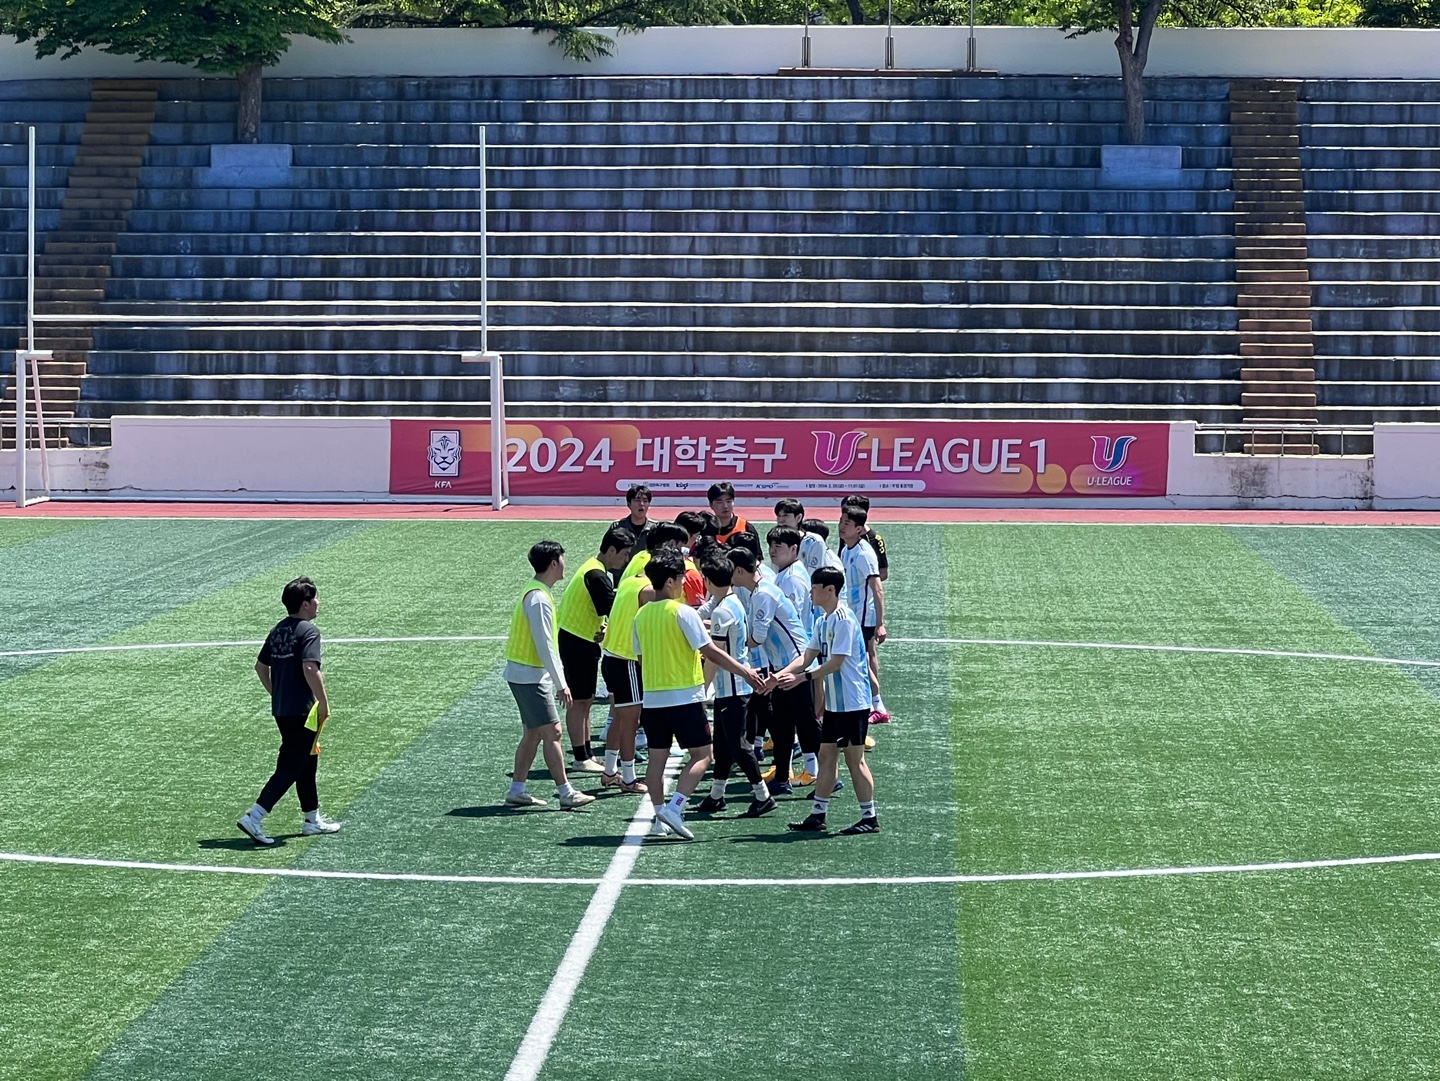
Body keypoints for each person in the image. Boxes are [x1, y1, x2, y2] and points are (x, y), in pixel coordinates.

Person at [633, 550, 763, 840]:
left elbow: (641, 659)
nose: (684, 583)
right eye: (681, 578)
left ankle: (659, 817)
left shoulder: (641, 616)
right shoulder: (683, 612)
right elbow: (711, 652)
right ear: (670, 581)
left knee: (656, 760)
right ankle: (675, 807)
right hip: (684, 699)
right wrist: (745, 672)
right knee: (703, 755)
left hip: (652, 700)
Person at [237, 576, 343, 845]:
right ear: (305, 604)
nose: (318, 602)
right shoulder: (309, 631)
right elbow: (310, 667)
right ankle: (255, 816)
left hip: (282, 709)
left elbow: (261, 667)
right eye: (315, 598)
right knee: (292, 765)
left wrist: (277, 693)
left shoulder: (278, 630)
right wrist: (323, 702)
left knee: (307, 761)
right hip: (303, 711)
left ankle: (311, 820)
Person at [775, 566, 879, 835]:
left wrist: (801, 679)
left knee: (855, 761)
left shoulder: (843, 620)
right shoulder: (822, 621)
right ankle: (818, 814)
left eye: (814, 588)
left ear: (830, 590)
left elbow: (836, 663)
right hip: (836, 705)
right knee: (826, 755)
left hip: (852, 703)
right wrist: (779, 676)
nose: (810, 592)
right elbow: (806, 656)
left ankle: (870, 817)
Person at [503, 541, 596, 810]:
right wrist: (561, 683)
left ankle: (517, 789)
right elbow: (545, 645)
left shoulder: (537, 592)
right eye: (562, 559)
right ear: (554, 563)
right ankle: (566, 792)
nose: (565, 563)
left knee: (533, 733)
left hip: (525, 673)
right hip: (530, 676)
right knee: (553, 731)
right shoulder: (540, 599)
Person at [727, 546, 820, 794]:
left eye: (730, 571)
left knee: (806, 725)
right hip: (783, 667)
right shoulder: (759, 591)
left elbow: (756, 638)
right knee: (782, 725)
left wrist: (725, 640)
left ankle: (827, 775)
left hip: (795, 666)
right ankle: (782, 778)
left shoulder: (763, 595)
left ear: (739, 571)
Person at [695, 555, 774, 817]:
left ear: (708, 581)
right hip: (733, 688)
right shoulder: (732, 603)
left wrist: (702, 689)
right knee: (722, 743)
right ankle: (716, 795)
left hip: (732, 689)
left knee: (738, 745)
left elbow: (715, 656)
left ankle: (762, 796)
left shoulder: (722, 611)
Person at [557, 525, 635, 774]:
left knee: (586, 701)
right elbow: (612, 608)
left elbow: (602, 611)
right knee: (580, 702)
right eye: (625, 554)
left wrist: (604, 627)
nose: (626, 560)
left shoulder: (595, 569)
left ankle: (586, 754)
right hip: (577, 642)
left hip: (581, 639)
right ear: (611, 550)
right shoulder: (597, 575)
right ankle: (581, 758)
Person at [598, 544, 656, 795]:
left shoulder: (630, 581)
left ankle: (610, 771)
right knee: (631, 722)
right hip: (627, 661)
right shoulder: (648, 591)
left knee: (620, 718)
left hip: (612, 657)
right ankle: (629, 779)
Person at [838, 504, 887, 723]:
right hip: (851, 616)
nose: (841, 526)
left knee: (862, 662)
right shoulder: (846, 550)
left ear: (859, 529)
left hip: (863, 618)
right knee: (857, 661)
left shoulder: (864, 553)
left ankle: (878, 706)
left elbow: (878, 589)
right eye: (841, 521)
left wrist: (880, 623)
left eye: (847, 523)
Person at [775, 498, 829, 577]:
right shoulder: (775, 541)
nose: (780, 520)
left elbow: (814, 575)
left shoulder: (814, 542)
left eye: (785, 515)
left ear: (798, 518)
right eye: (778, 516)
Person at [708, 481, 759, 548]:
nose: (725, 506)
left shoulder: (745, 527)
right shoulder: (706, 529)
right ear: (711, 505)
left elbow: (757, 553)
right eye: (719, 502)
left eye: (728, 501)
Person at [612, 483, 654, 551]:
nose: (641, 504)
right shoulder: (617, 526)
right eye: (637, 500)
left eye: (645, 501)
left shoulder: (655, 529)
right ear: (629, 504)